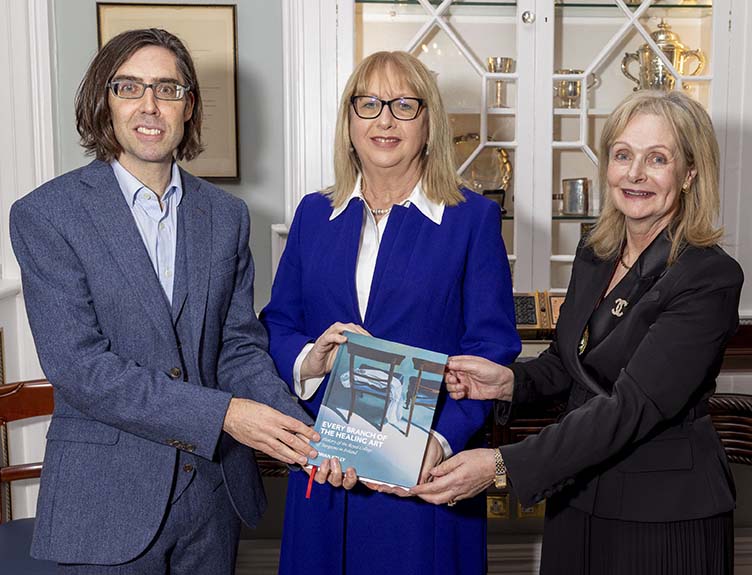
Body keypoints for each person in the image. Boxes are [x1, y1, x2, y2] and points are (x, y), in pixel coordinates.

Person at [10, 28, 319, 573]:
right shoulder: (46, 215)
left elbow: (238, 348)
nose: (149, 106)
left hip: (213, 502)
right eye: (129, 87)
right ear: (103, 102)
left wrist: (302, 433)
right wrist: (226, 413)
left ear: (189, 106)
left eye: (168, 89)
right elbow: (79, 368)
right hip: (104, 507)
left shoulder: (225, 217)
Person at [412, 89, 743, 574]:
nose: (634, 173)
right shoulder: (597, 248)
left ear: (690, 173)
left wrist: (501, 465)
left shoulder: (708, 276)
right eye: (623, 155)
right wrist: (510, 382)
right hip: (577, 495)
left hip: (663, 516)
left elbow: (633, 405)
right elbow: (572, 363)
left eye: (657, 159)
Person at [260, 50, 520, 575]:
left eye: (404, 104)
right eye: (369, 103)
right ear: (349, 121)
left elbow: (491, 351)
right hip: (327, 468)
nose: (384, 119)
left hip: (424, 475)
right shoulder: (314, 213)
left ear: (429, 123)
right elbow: (279, 323)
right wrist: (311, 361)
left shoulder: (473, 220)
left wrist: (441, 439)